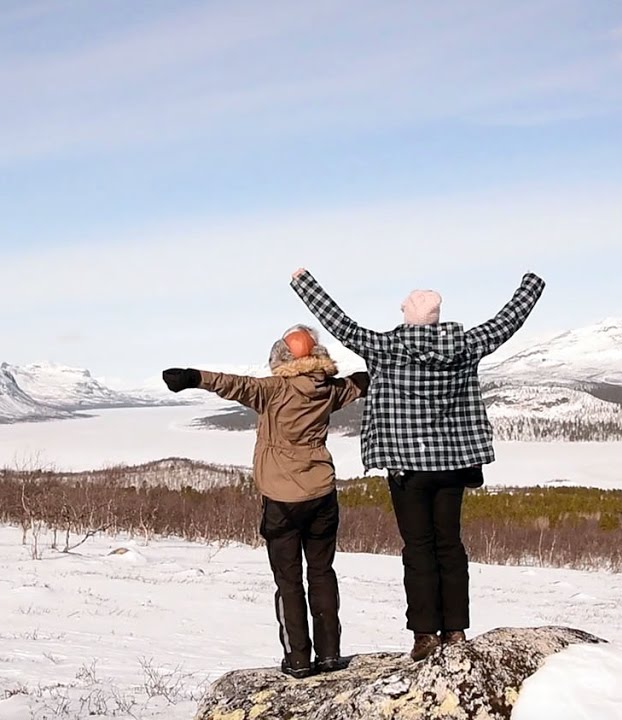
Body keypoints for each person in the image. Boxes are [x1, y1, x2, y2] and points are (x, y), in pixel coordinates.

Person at [289, 267, 545, 661]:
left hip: (407, 469)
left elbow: (339, 324)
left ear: (407, 317)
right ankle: (455, 629)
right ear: (436, 319)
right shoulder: (466, 345)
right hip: (453, 465)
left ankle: (425, 635)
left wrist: (304, 282)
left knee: (418, 548)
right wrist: (531, 286)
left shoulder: (386, 348)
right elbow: (507, 321)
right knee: (450, 545)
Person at [161, 325, 369, 679]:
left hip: (282, 500)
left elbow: (233, 384)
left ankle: (298, 659)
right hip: (322, 493)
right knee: (321, 573)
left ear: (281, 359)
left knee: (288, 580)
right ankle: (330, 655)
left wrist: (192, 377)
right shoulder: (329, 389)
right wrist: (380, 369)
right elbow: (359, 383)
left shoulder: (274, 390)